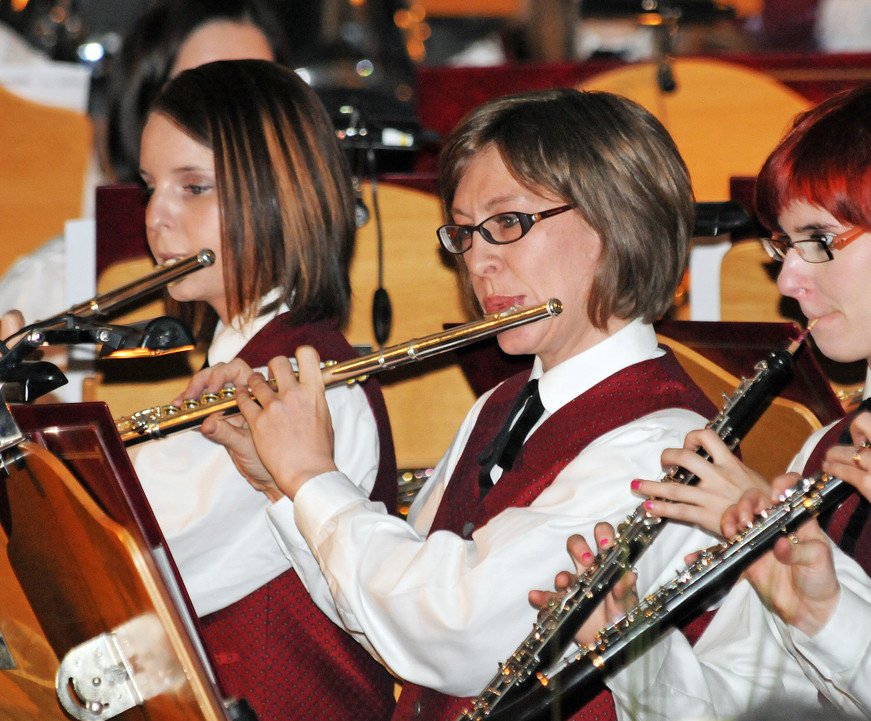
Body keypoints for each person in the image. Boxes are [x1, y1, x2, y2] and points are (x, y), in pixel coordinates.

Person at [178, 87, 720, 721]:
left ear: (618, 222)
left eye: (508, 223)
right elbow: (389, 621)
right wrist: (281, 486)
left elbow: (456, 632)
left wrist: (311, 478)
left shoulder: (663, 447)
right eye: (464, 233)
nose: (478, 260)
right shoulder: (500, 403)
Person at [554, 82, 871, 721]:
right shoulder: (820, 451)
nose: (789, 279)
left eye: (819, 241)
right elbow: (749, 699)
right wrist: (632, 653)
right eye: (783, 246)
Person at [132, 60, 399, 721]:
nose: (156, 217)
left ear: (279, 198)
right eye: (150, 186)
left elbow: (130, 550)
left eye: (193, 187)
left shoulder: (308, 389)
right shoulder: (234, 360)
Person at [0, 0, 285, 335]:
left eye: (255, 100)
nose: (233, 130)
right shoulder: (50, 283)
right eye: (197, 98)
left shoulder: (316, 276)